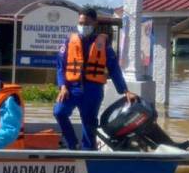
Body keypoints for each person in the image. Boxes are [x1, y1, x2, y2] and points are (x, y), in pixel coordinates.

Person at [54, 8, 137, 150]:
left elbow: (114, 69)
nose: (83, 26)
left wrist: (125, 91)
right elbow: (61, 67)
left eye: (86, 23)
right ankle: (72, 144)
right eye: (80, 23)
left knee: (89, 123)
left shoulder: (103, 44)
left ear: (94, 23)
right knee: (59, 112)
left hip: (93, 90)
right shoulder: (69, 41)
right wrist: (63, 86)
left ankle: (88, 152)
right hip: (72, 88)